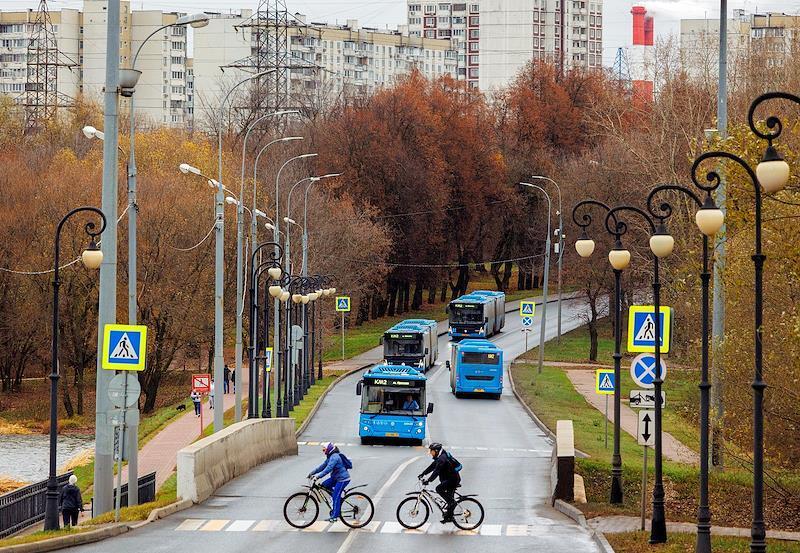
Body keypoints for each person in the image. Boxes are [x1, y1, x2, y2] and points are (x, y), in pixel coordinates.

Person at [308, 442, 350, 522]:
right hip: (335, 478)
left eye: (324, 450)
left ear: (329, 449)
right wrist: (312, 473)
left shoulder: (334, 457)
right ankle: (337, 499)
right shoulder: (330, 457)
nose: (324, 451)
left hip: (342, 479)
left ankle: (334, 516)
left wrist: (318, 476)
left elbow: (328, 469)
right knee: (324, 485)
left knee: (335, 496)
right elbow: (322, 466)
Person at [418, 442, 461, 523]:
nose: (430, 453)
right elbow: (433, 466)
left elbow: (436, 471)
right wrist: (423, 473)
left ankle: (452, 504)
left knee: (439, 489)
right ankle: (449, 516)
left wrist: (428, 480)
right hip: (450, 479)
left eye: (432, 451)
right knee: (449, 499)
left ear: (437, 451)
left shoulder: (442, 458)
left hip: (452, 480)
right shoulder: (440, 457)